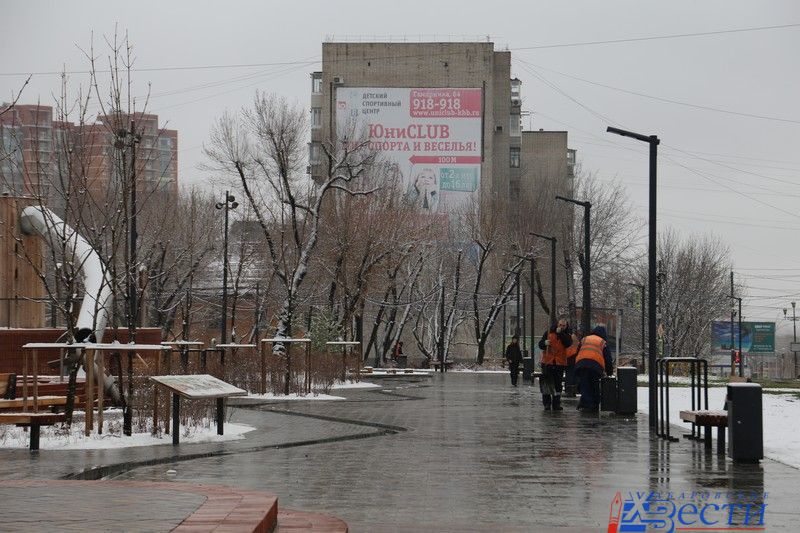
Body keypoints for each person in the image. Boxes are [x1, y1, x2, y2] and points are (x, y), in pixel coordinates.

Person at [575, 326, 614, 412]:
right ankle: (592, 405)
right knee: (594, 385)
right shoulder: (602, 342)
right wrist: (609, 372)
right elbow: (608, 359)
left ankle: (585, 404)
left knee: (584, 384)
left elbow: (577, 352)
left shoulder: (585, 339)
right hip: (595, 366)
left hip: (582, 364)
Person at [537, 317, 573, 411]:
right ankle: (547, 404)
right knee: (547, 383)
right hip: (548, 361)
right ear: (557, 324)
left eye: (563, 325)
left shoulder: (567, 334)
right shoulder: (549, 332)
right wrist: (544, 343)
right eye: (560, 325)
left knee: (558, 384)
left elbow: (567, 343)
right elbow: (540, 344)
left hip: (559, 363)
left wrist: (560, 334)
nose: (561, 327)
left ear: (566, 326)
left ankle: (556, 403)